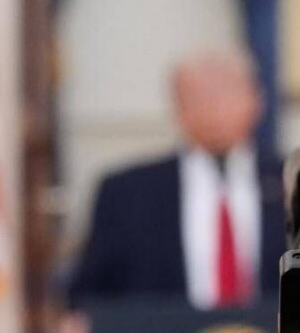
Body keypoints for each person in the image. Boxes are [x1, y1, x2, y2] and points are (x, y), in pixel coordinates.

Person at [62, 51, 283, 328]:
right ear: (177, 105)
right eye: (200, 96)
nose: (214, 107)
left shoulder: (295, 183)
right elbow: (88, 299)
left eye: (226, 92)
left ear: (257, 100)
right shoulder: (126, 193)